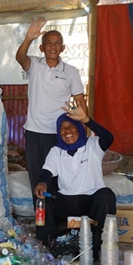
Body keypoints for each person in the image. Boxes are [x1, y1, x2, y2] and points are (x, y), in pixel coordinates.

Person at [15, 17, 87, 198]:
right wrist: (28, 38)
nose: (53, 47)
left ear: (63, 48)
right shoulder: (34, 65)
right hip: (33, 132)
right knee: (36, 176)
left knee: (56, 177)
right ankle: (41, 219)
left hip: (58, 133)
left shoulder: (70, 71)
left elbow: (80, 101)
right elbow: (20, 57)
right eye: (48, 43)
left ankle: (56, 218)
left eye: (57, 44)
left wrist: (85, 129)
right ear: (41, 48)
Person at [34, 102, 116, 257]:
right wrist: (41, 183)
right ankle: (49, 243)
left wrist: (86, 119)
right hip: (66, 202)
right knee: (42, 195)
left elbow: (109, 137)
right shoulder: (56, 151)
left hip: (90, 202)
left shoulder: (93, 145)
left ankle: (100, 246)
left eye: (72, 126)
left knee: (107, 195)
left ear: (80, 128)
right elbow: (46, 171)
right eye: (63, 128)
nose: (67, 131)